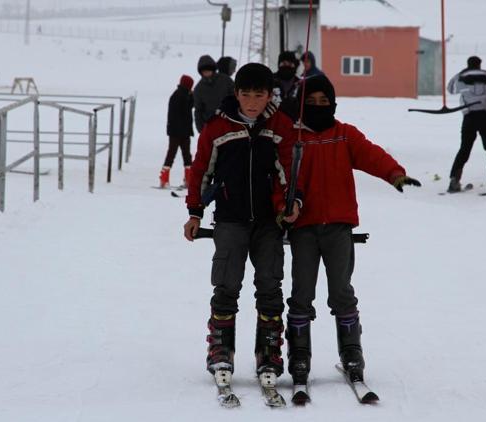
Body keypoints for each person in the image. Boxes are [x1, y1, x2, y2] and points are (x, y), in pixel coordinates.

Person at [283, 74, 420, 387]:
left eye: (324, 101)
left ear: (333, 103)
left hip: (339, 229)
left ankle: (351, 352)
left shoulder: (344, 135)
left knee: (341, 292)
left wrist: (394, 174)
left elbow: (371, 154)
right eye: (311, 102)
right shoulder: (293, 139)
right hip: (303, 229)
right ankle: (299, 353)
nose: (319, 106)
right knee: (301, 293)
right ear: (301, 104)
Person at [183, 63, 298, 384]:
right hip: (230, 219)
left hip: (268, 222)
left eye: (258, 95)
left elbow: (288, 172)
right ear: (236, 94)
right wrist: (195, 212)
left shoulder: (280, 126)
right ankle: (221, 347)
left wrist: (291, 205)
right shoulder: (217, 127)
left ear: (268, 95)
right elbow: (200, 170)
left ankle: (269, 349)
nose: (251, 101)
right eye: (245, 94)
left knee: (270, 285)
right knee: (226, 284)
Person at [446, 56, 486, 192]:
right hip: (485, 116)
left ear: (468, 65)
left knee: (464, 149)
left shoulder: (461, 80)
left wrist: (460, 73)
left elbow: (450, 89)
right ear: (479, 65)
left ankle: (454, 180)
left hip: (469, 118)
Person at [161, 74, 195, 188]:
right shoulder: (180, 96)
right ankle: (185, 179)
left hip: (178, 131)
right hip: (179, 132)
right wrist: (192, 97)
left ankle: (165, 178)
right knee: (182, 155)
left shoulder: (179, 94)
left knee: (175, 154)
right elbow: (187, 109)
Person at [193, 55, 235, 133]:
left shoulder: (225, 80)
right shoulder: (198, 89)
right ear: (201, 72)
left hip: (229, 123)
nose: (207, 72)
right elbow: (198, 111)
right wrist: (201, 130)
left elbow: (236, 97)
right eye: (204, 70)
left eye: (209, 69)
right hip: (211, 128)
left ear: (213, 69)